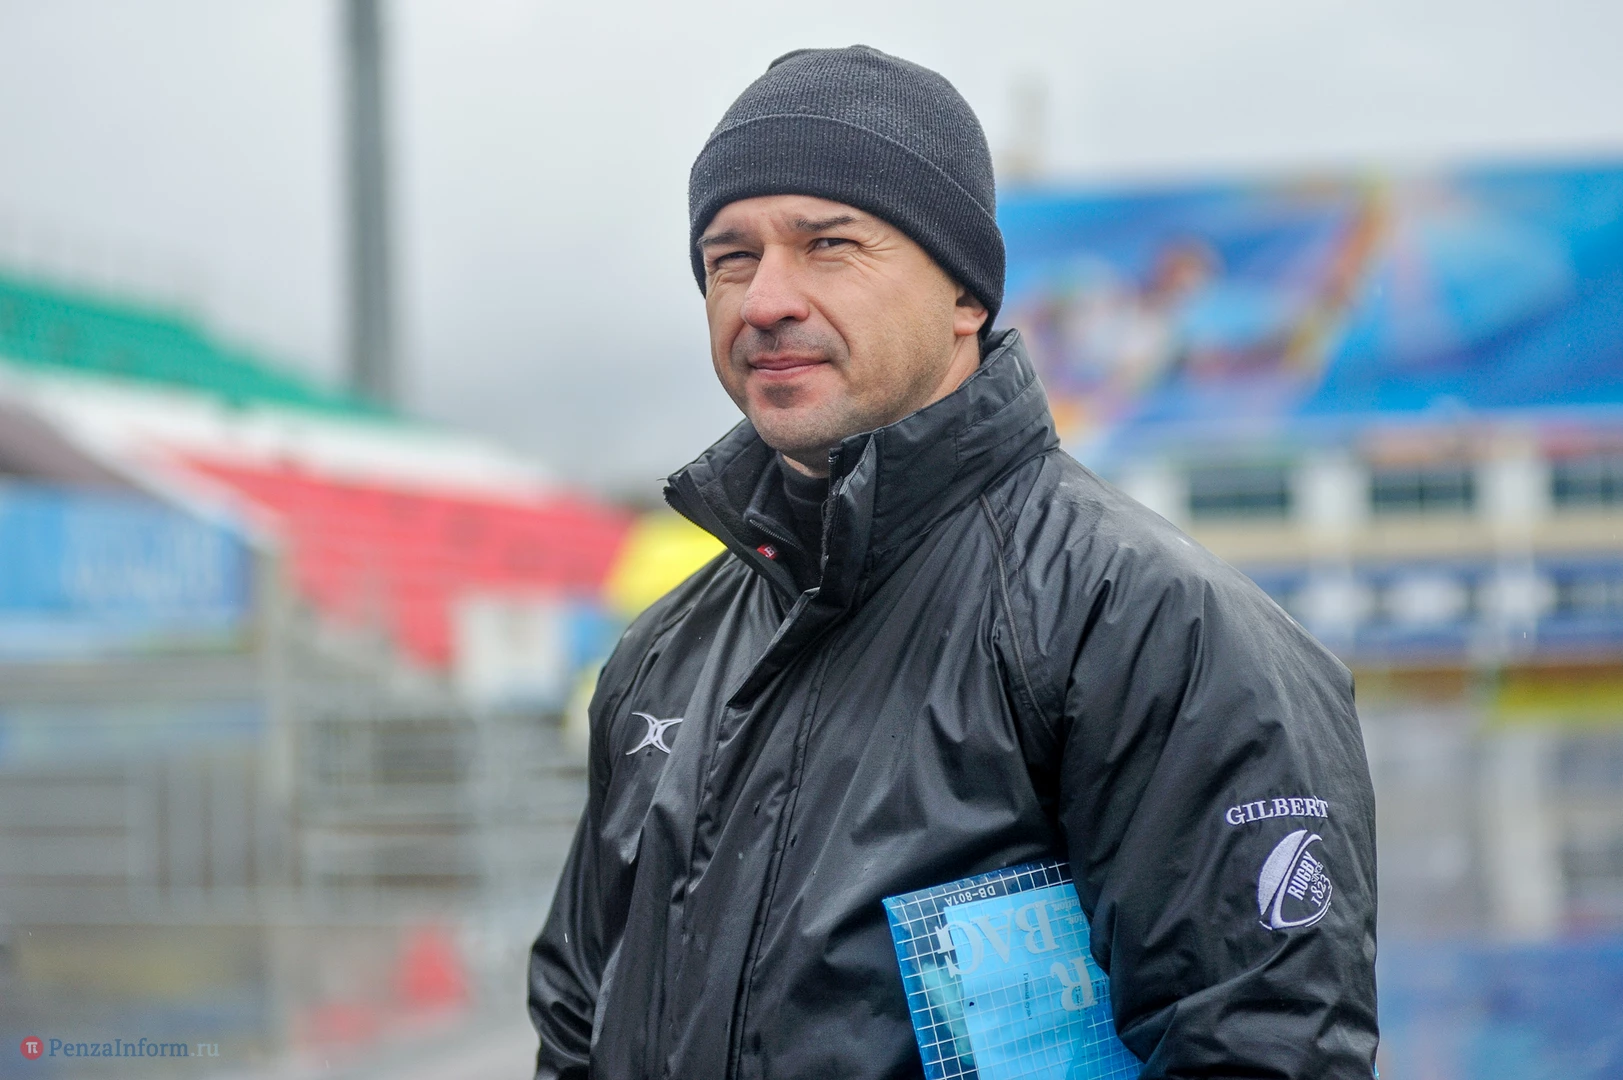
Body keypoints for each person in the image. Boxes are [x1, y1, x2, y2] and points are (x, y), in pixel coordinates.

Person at [528, 45, 1378, 1079]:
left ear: (965, 295)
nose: (765, 300)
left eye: (828, 245)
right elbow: (574, 1022)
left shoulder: (1151, 624)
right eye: (730, 257)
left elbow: (1263, 1046)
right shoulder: (663, 654)